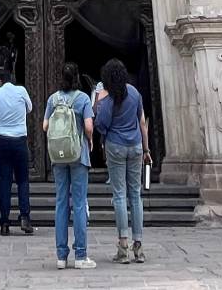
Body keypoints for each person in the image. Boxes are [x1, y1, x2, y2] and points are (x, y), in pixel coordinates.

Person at [93, 58, 150, 264]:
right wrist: (146, 149)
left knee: (119, 195)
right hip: (135, 146)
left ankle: (123, 244)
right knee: (136, 194)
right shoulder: (134, 93)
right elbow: (141, 121)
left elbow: (101, 124)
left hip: (115, 147)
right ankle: (139, 245)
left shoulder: (107, 101)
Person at [44, 61, 96, 269]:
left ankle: (61, 256)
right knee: (80, 203)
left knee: (61, 203)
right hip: (78, 154)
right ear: (76, 78)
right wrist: (89, 139)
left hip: (58, 156)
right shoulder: (82, 98)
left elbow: (45, 125)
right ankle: (81, 255)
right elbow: (89, 126)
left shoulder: (53, 99)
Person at [0, 66, 35, 236]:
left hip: (2, 141)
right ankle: (25, 217)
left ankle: (5, 222)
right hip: (20, 139)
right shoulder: (21, 91)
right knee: (22, 180)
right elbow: (29, 108)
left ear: (0, 81)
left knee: (5, 181)